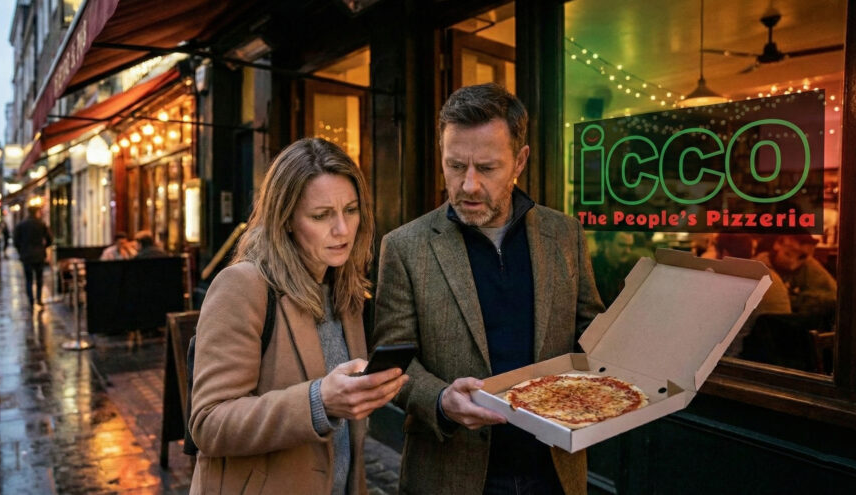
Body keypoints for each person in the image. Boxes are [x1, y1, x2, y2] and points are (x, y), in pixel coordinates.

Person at [372, 83, 603, 495]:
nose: (469, 185)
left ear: (520, 160)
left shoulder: (565, 234)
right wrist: (441, 399)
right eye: (455, 166)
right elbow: (394, 367)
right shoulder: (404, 247)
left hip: (554, 471)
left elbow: (593, 336)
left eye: (488, 168)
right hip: (450, 473)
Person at [189, 138, 408, 495]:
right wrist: (318, 402)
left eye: (351, 210)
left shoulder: (343, 288)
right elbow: (209, 423)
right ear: (286, 219)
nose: (342, 229)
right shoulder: (243, 286)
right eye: (321, 216)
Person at [754, 234, 836, 317]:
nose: (793, 263)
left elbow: (833, 294)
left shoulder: (807, 264)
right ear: (777, 245)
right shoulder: (759, 268)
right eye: (788, 254)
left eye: (801, 257)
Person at [13, 205, 53, 309]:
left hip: (26, 255)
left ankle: (31, 300)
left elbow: (16, 241)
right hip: (39, 255)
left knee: (29, 279)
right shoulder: (41, 224)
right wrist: (44, 246)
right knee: (39, 278)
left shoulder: (21, 225)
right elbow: (49, 239)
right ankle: (39, 299)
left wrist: (21, 250)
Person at [590, 231, 638, 307]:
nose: (628, 251)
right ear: (607, 244)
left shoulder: (628, 268)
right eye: (622, 245)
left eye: (630, 246)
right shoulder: (592, 268)